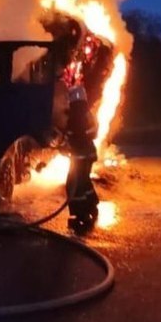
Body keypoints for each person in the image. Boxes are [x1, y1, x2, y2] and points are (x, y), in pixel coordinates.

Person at [64, 84, 100, 232]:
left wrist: (65, 141)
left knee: (73, 184)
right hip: (89, 154)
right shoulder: (87, 113)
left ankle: (81, 215)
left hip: (80, 156)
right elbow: (93, 131)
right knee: (84, 182)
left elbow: (73, 135)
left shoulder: (76, 115)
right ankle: (92, 205)